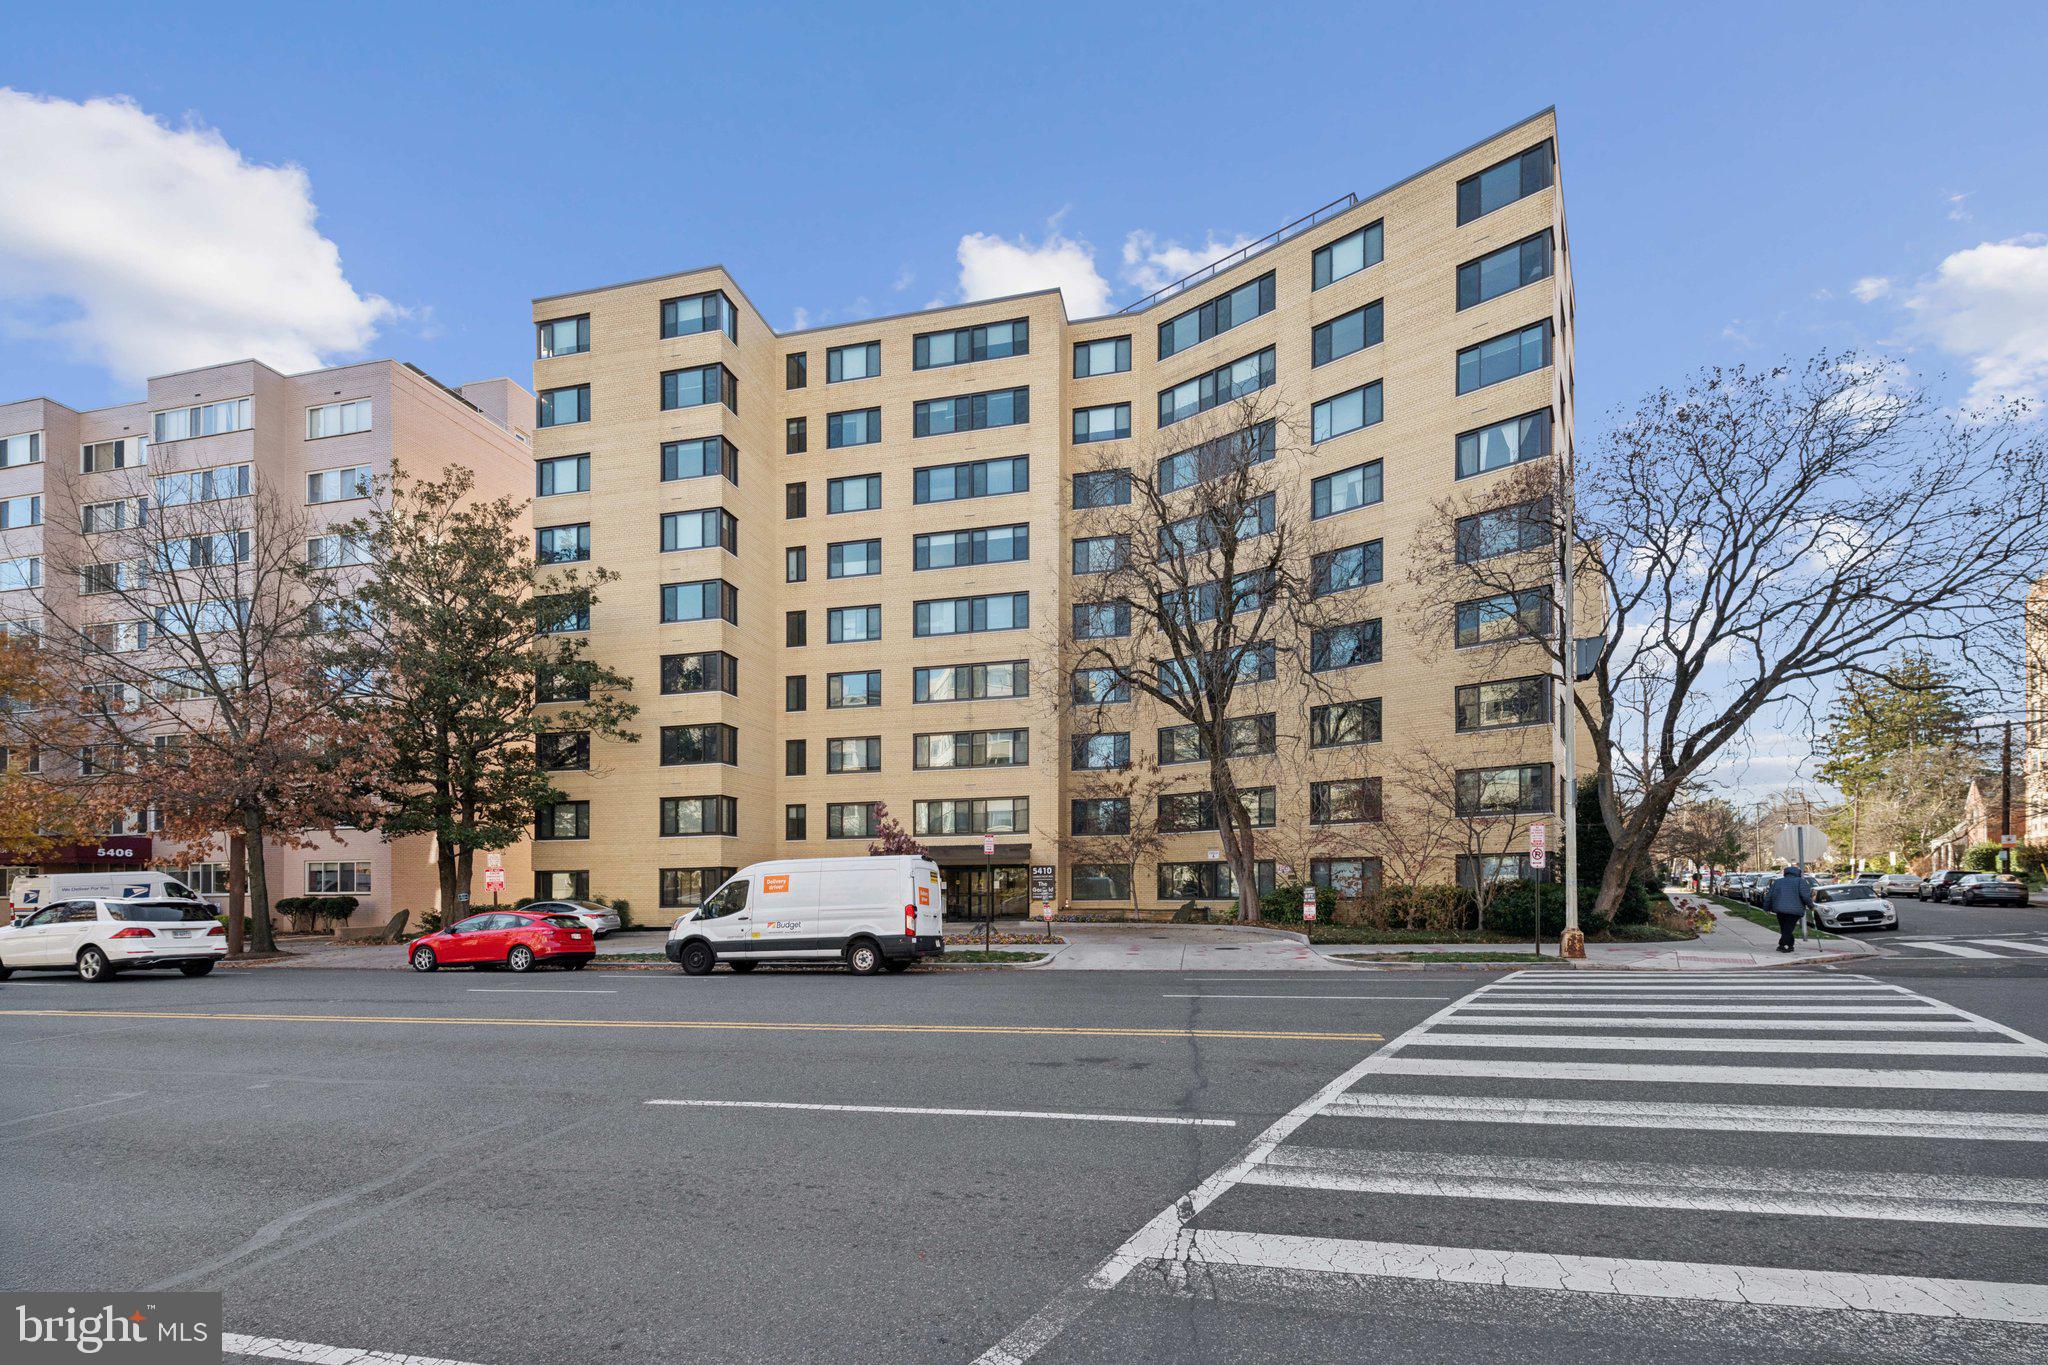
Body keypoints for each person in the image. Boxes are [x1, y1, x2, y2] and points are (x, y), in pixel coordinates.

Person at [1764, 863, 1814, 952]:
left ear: (1785, 873)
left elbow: (1769, 896)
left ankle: (1787, 945)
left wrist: (1766, 908)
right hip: (1795, 910)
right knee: (1787, 929)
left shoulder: (1778, 882)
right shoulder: (1800, 881)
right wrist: (1811, 906)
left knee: (1785, 928)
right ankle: (1783, 945)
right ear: (1798, 873)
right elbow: (1805, 896)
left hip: (1780, 909)